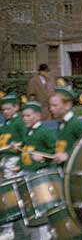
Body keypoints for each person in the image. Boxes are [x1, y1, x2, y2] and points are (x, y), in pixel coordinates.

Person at [19, 101, 55, 240]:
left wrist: (44, 158)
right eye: (24, 116)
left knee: (40, 208)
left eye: (28, 115)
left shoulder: (44, 132)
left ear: (38, 116)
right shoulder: (28, 131)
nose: (24, 118)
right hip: (27, 173)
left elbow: (53, 151)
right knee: (28, 208)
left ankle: (45, 235)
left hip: (39, 175)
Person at [0, 93, 26, 240]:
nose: (5, 112)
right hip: (4, 161)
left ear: (16, 107)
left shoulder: (19, 123)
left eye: (8, 109)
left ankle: (9, 229)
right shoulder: (6, 124)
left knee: (8, 195)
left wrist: (19, 146)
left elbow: (26, 140)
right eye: (3, 109)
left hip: (13, 162)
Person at [49, 87, 82, 166]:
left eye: (55, 105)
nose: (51, 109)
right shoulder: (61, 123)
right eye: (50, 105)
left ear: (68, 105)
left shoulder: (75, 124)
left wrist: (68, 155)